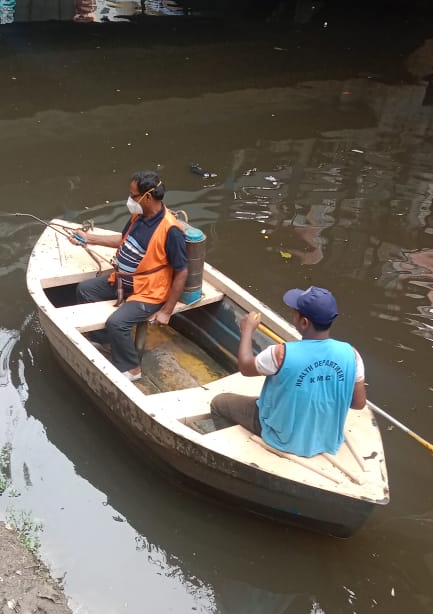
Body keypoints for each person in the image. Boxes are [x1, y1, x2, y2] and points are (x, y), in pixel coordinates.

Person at [211, 286, 367, 457]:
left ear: (304, 322)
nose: (293, 315)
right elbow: (358, 404)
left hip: (282, 438)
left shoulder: (280, 353)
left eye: (295, 313)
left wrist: (247, 330)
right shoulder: (352, 354)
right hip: (327, 439)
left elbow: (245, 367)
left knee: (219, 404)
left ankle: (229, 453)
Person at [70, 171, 188, 380]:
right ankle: (104, 341)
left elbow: (182, 271)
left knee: (117, 323)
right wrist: (89, 238)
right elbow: (122, 240)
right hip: (125, 280)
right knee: (85, 290)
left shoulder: (171, 230)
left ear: (147, 197)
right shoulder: (138, 216)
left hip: (150, 291)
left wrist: (167, 311)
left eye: (133, 196)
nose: (129, 200)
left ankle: (132, 369)